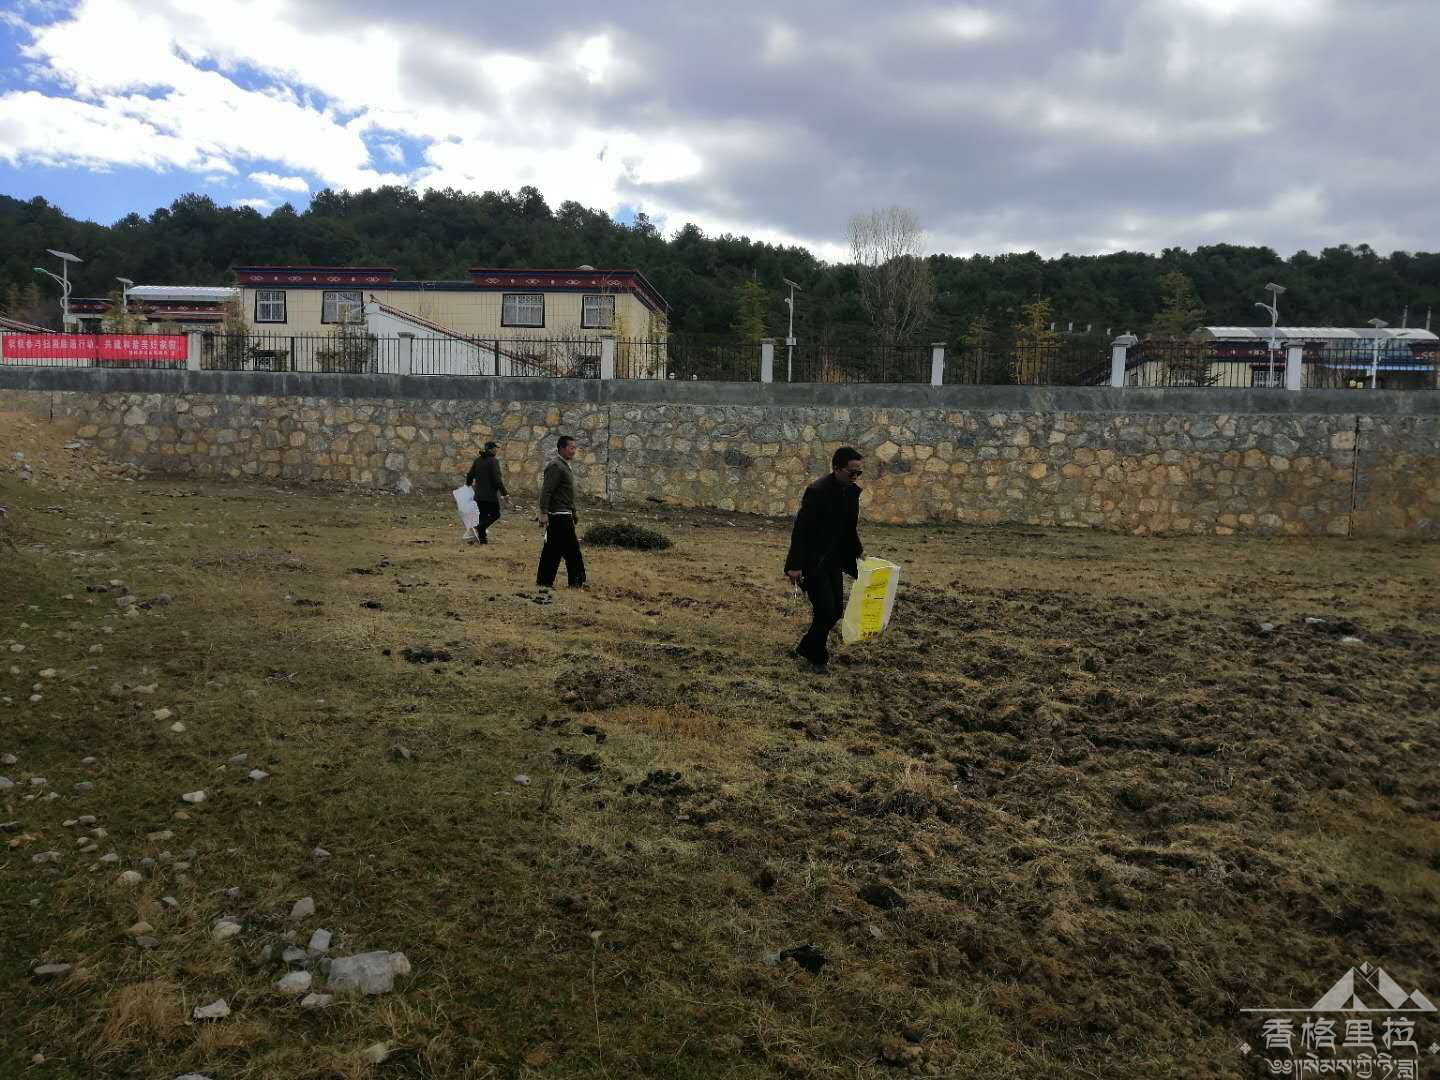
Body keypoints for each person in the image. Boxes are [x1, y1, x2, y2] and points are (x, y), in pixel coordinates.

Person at [785, 447, 865, 674]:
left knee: (836, 610)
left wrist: (859, 552)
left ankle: (806, 646)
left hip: (833, 561)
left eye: (859, 473)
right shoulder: (817, 492)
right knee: (826, 610)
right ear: (837, 469)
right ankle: (817, 658)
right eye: (852, 472)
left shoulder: (851, 493)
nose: (856, 477)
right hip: (811, 562)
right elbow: (801, 531)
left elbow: (849, 529)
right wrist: (795, 566)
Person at [535, 435, 587, 589]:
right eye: (571, 448)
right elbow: (547, 491)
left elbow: (566, 493)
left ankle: (546, 582)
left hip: (564, 514)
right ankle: (575, 582)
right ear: (562, 448)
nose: (574, 451)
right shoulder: (556, 466)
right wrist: (543, 513)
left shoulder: (564, 466)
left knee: (555, 550)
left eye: (575, 448)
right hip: (558, 516)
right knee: (569, 551)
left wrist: (573, 512)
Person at [464, 441, 508, 544]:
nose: (496, 450)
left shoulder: (477, 460)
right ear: (491, 449)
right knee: (495, 514)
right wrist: (504, 493)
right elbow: (497, 480)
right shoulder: (493, 461)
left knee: (483, 517)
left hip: (478, 496)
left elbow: (470, 475)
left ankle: (482, 541)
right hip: (489, 496)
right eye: (495, 448)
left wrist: (468, 485)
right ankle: (478, 528)